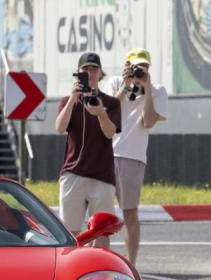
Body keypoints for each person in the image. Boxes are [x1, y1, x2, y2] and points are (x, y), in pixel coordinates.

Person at [105, 48, 168, 265]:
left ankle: (130, 264)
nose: (139, 71)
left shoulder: (158, 90)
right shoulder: (114, 83)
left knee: (130, 213)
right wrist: (125, 86)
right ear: (126, 66)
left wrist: (146, 87)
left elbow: (148, 121)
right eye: (135, 66)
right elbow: (106, 110)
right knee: (100, 213)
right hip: (105, 153)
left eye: (144, 67)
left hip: (132, 156)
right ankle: (99, 261)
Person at [54, 52, 121, 248]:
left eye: (94, 69)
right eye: (85, 69)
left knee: (102, 232)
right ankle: (73, 271)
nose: (90, 73)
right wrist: (73, 98)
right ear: (78, 73)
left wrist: (100, 113)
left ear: (101, 74)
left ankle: (100, 271)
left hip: (102, 175)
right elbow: (59, 128)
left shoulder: (111, 103)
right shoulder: (67, 100)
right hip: (72, 173)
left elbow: (110, 133)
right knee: (69, 231)